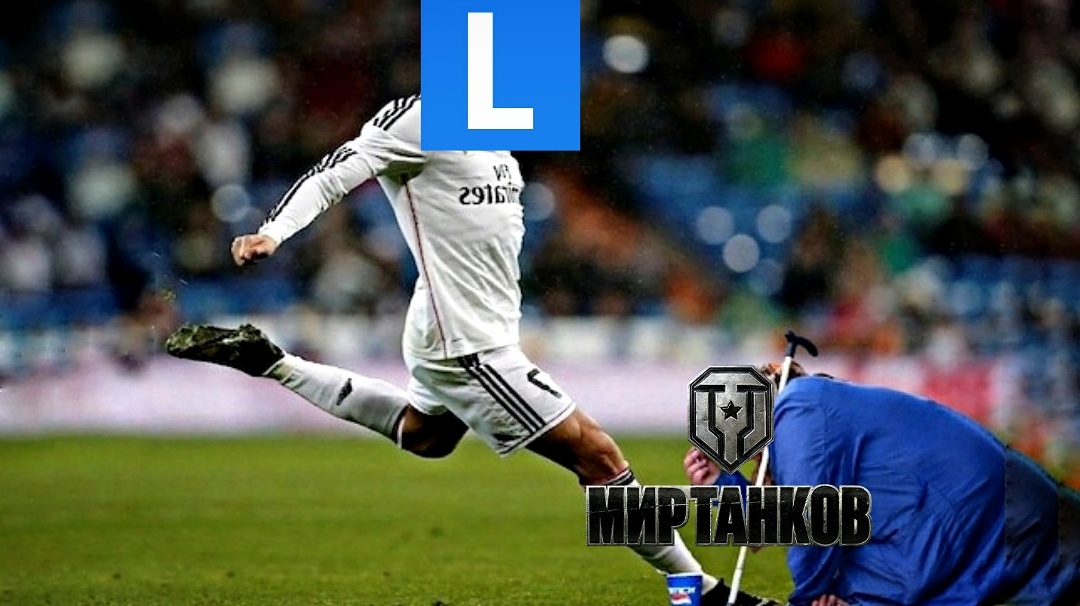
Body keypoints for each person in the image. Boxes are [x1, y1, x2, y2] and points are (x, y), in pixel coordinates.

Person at [165, 95, 778, 606]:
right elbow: (335, 171)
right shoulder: (418, 118)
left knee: (426, 435)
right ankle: (699, 589)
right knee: (598, 457)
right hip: (466, 344)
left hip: (470, 330)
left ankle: (272, 362)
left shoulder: (499, 142)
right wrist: (273, 232)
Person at [684, 362, 1080, 606]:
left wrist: (810, 599)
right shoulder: (811, 410)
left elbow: (812, 522)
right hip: (998, 518)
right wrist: (722, 483)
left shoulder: (799, 409)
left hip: (994, 523)